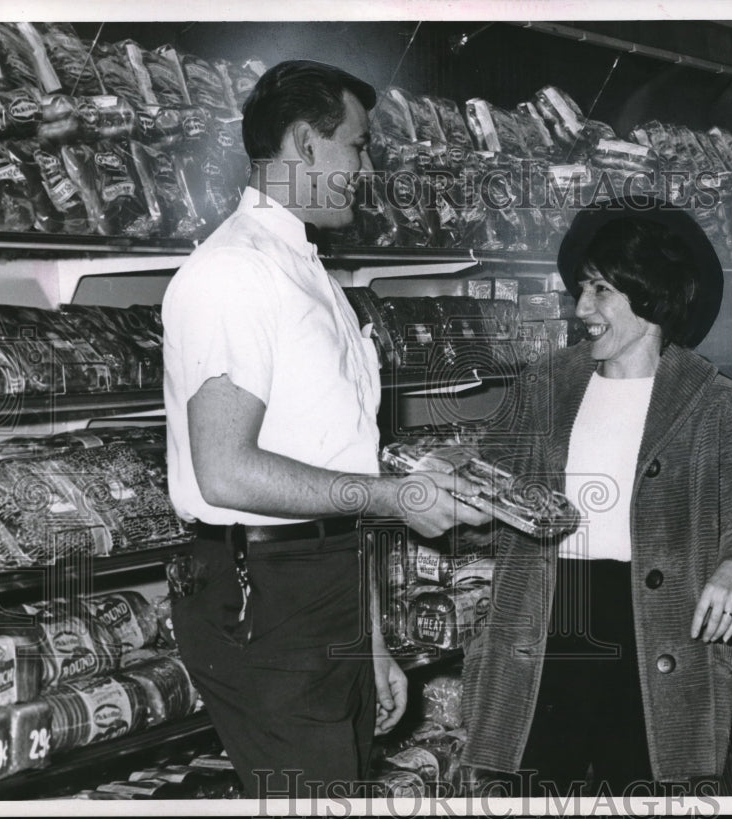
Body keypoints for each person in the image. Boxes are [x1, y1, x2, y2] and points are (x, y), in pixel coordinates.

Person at [161, 60, 490, 799]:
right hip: (267, 599)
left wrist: (370, 641)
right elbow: (227, 471)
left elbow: (332, 469)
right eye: (359, 147)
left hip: (320, 584)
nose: (366, 169)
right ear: (305, 144)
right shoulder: (234, 274)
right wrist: (394, 497)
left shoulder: (306, 271)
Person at [460, 195, 732, 796]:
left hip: (658, 631)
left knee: (646, 788)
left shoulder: (713, 401)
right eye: (581, 290)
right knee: (531, 792)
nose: (581, 307)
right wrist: (456, 492)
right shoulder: (543, 385)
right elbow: (487, 484)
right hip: (548, 617)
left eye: (602, 290)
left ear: (650, 297)